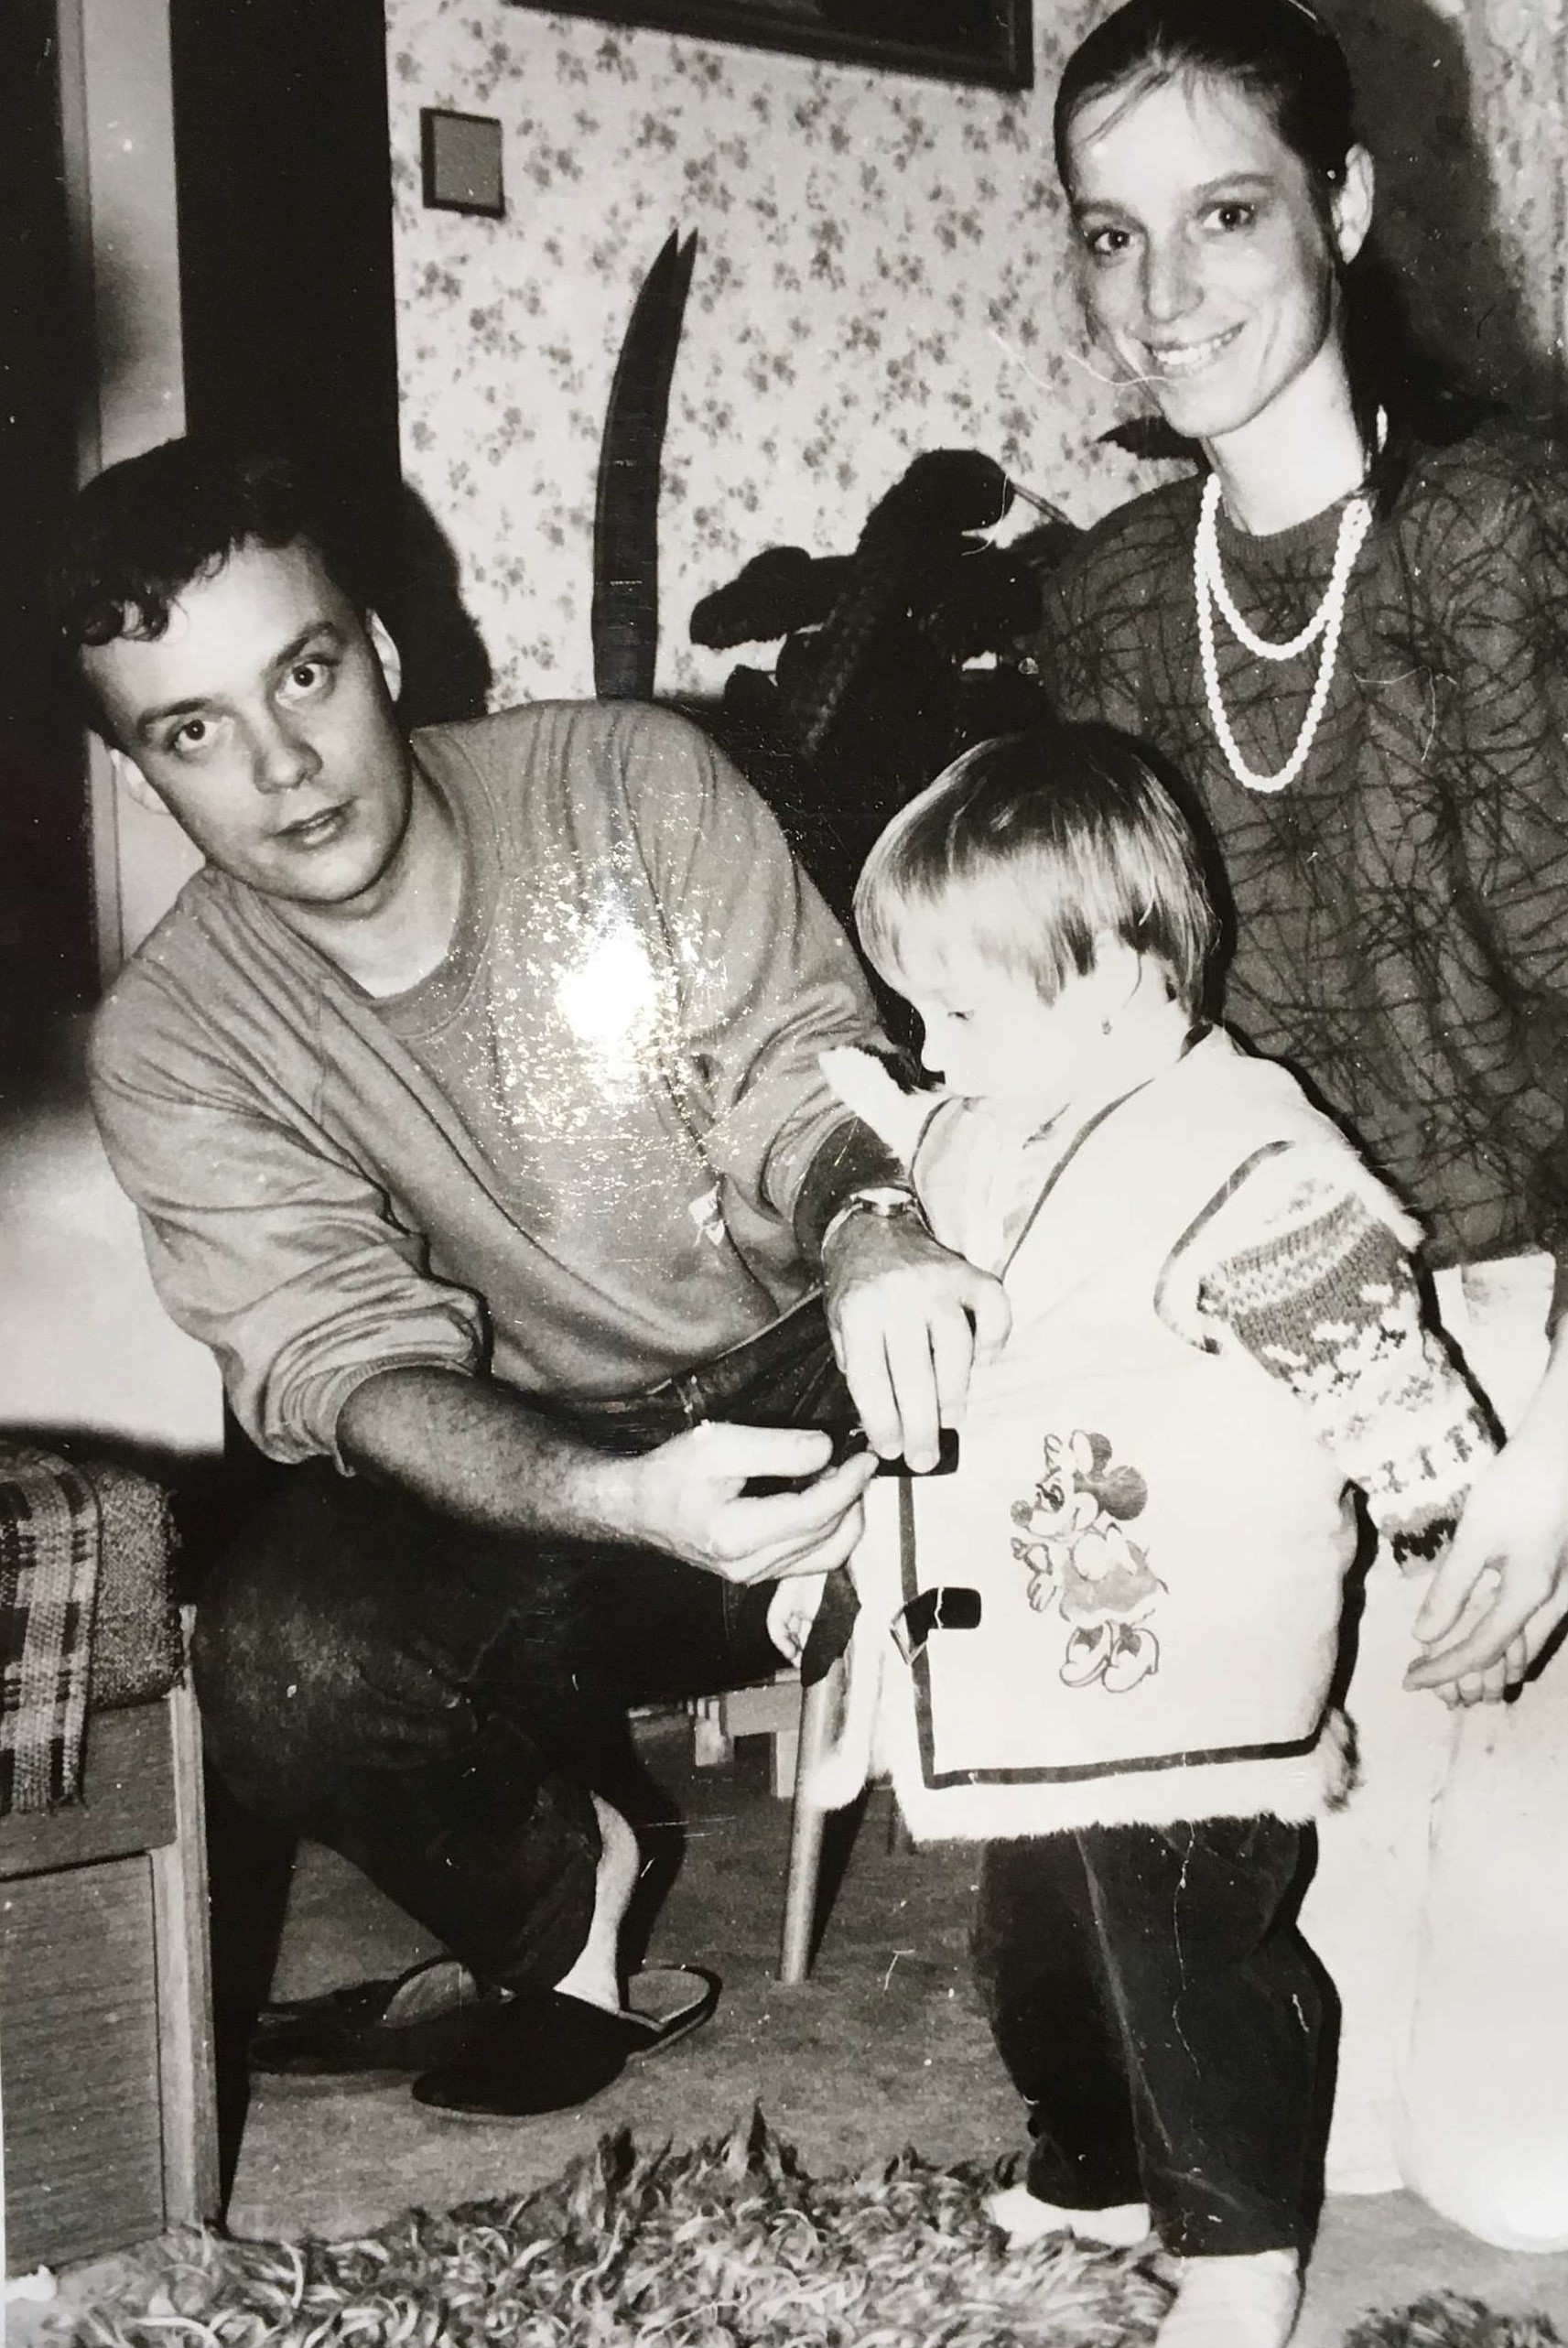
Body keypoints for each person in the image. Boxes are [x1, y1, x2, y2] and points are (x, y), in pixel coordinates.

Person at [54, 435, 1008, 2120]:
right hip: (557, 1481)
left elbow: (805, 1080)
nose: (282, 764)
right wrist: (624, 1495)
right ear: (142, 775)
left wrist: (873, 1226)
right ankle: (562, 1910)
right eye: (192, 730)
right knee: (273, 1658)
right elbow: (347, 1366)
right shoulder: (172, 1039)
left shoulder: (625, 780)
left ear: (381, 651)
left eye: (303, 673)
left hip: (822, 1374)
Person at [1029, 0, 1568, 2244]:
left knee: (1519, 2174)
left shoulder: (1500, 536)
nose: (1162, 293)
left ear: (1338, 207)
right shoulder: (1098, 604)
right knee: (1313, 2132)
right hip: (1305, 1373)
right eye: (1108, 234)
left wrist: (1548, 1438)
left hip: (1545, 1341)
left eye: (1223, 213)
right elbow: (1114, 1081)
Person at [776, 720, 1494, 2348]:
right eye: (919, 1010)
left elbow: (1373, 1362)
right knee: (1029, 1946)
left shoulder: (1237, 1152)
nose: (936, 1049)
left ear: (1114, 982)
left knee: (1185, 1955)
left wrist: (1439, 1510)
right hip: (1038, 1672)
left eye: (963, 1011)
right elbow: (926, 1215)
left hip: (1193, 1659)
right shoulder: (991, 1113)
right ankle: (1093, 2164)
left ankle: (1239, 2230)